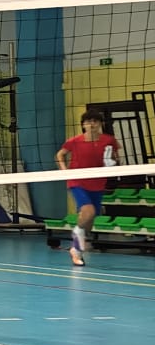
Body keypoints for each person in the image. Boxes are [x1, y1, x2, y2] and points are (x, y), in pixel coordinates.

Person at [56, 107, 117, 267]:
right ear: (83, 124)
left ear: (100, 124)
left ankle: (78, 243)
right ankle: (76, 247)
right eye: (88, 122)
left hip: (98, 183)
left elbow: (116, 159)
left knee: (90, 219)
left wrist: (113, 164)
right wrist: (64, 171)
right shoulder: (75, 141)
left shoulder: (109, 140)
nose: (92, 124)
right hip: (77, 181)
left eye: (95, 121)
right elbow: (60, 154)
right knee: (88, 211)